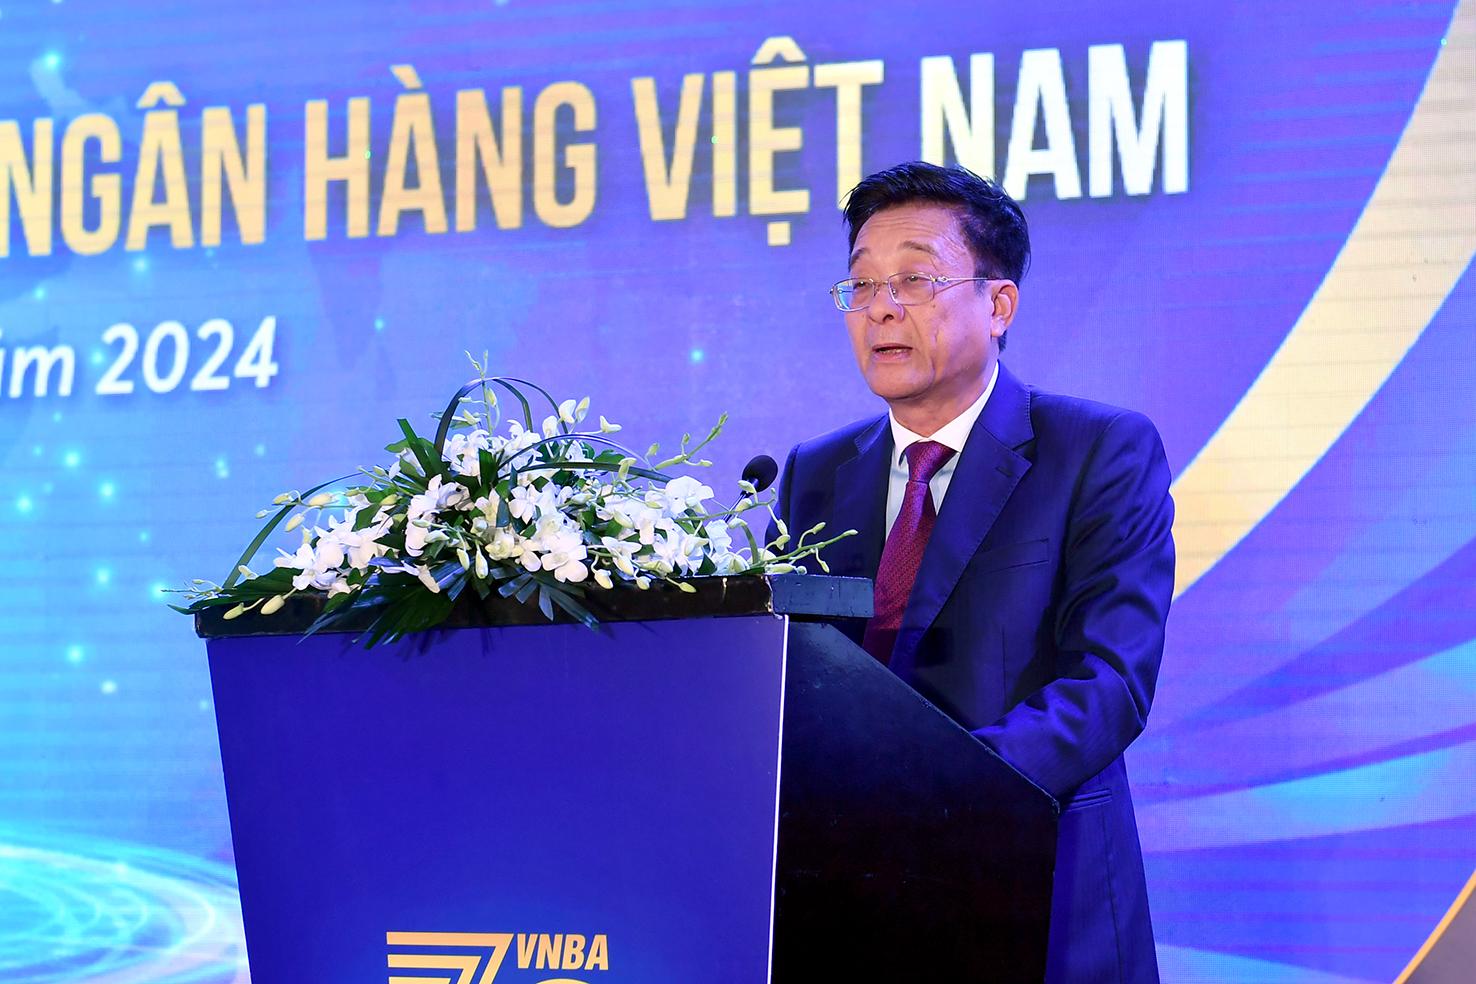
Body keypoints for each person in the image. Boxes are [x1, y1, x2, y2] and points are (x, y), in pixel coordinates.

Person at [772, 161, 1174, 983]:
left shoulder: (1098, 451)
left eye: (914, 279)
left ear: (999, 306)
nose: (881, 308)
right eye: (862, 285)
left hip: (1036, 891)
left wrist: (941, 789)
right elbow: (787, 682)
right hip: (849, 905)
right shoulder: (813, 472)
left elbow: (1110, 683)